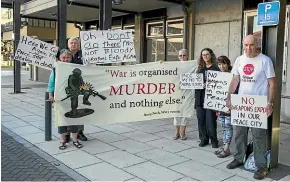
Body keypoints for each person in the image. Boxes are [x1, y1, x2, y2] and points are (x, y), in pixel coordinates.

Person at [225, 35, 276, 180]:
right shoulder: (239, 60)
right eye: (246, 45)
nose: (248, 48)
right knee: (239, 133)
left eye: (251, 45)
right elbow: (235, 79)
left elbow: (273, 84)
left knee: (259, 136)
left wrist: (270, 103)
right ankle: (238, 158)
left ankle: (261, 166)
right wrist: (229, 96)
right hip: (241, 104)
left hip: (258, 105)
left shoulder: (265, 61)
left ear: (257, 44)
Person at [47, 49, 83, 150]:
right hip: (60, 98)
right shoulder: (55, 69)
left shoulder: (75, 68)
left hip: (73, 97)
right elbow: (51, 83)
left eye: (68, 57)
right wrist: (51, 95)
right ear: (59, 58)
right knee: (61, 120)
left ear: (71, 58)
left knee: (74, 118)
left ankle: (75, 140)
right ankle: (63, 141)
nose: (65, 59)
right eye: (63, 57)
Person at [195, 48, 219, 148]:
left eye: (207, 54)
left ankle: (214, 141)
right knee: (201, 121)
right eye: (203, 55)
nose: (205, 56)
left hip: (211, 99)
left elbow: (220, 82)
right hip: (200, 98)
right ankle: (204, 139)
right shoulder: (199, 68)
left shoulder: (216, 68)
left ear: (211, 55)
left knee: (211, 121)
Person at [214, 56, 236, 158]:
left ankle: (227, 147)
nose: (221, 66)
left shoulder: (233, 76)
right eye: (219, 64)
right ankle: (224, 145)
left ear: (228, 64)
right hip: (220, 105)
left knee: (228, 125)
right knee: (222, 125)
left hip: (229, 106)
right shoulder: (217, 75)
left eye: (223, 64)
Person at [67, 37, 88, 141]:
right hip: (67, 88)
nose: (74, 44)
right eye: (72, 43)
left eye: (75, 43)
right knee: (67, 110)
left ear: (79, 45)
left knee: (80, 110)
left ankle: (80, 131)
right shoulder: (64, 54)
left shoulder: (84, 55)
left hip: (80, 87)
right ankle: (67, 133)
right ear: (68, 45)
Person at [173, 49, 189, 140]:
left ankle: (183, 132)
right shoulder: (175, 66)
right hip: (177, 92)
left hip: (188, 93)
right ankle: (176, 132)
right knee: (176, 112)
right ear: (178, 57)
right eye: (180, 56)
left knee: (185, 112)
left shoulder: (192, 65)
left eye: (184, 55)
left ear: (187, 56)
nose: (182, 57)